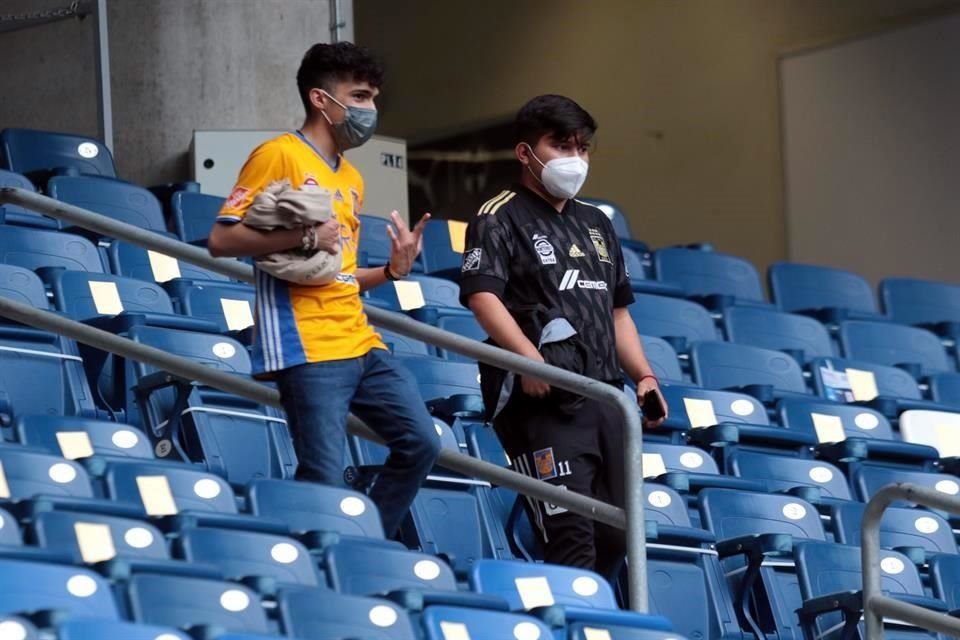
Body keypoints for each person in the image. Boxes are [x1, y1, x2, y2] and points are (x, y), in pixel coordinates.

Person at [207, 42, 440, 538]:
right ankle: (318, 567)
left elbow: (340, 274)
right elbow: (221, 240)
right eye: (358, 96)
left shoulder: (353, 177)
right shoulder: (277, 154)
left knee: (422, 443)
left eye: (373, 97)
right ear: (320, 99)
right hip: (306, 347)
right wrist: (306, 235)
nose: (368, 110)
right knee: (324, 478)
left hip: (360, 340)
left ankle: (365, 540)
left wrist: (394, 272)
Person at [459, 94, 668, 578]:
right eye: (560, 145)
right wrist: (530, 361)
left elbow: (618, 314)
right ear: (525, 152)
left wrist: (644, 377)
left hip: (605, 398)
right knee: (570, 535)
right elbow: (482, 298)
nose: (574, 158)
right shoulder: (499, 215)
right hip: (543, 402)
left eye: (583, 147)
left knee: (619, 535)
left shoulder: (596, 223)